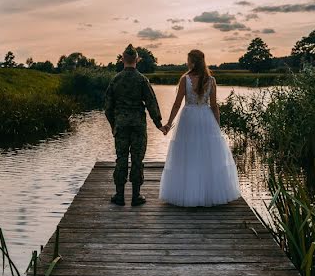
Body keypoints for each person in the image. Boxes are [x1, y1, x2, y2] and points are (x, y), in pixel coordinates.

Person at [159, 49, 241, 207]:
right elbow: (214, 106)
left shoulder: (185, 79)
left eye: (188, 59)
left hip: (188, 117)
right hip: (205, 117)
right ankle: (207, 193)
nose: (186, 62)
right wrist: (217, 126)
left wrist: (169, 124)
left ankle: (188, 192)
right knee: (207, 153)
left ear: (193, 62)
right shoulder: (211, 80)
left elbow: (177, 104)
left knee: (187, 152)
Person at [103, 44, 164, 206]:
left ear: (122, 59)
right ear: (137, 60)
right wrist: (159, 123)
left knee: (121, 158)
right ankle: (136, 196)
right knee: (137, 159)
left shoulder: (115, 79)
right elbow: (151, 103)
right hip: (138, 125)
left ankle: (119, 195)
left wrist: (113, 125)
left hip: (121, 125)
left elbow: (108, 108)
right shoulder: (142, 80)